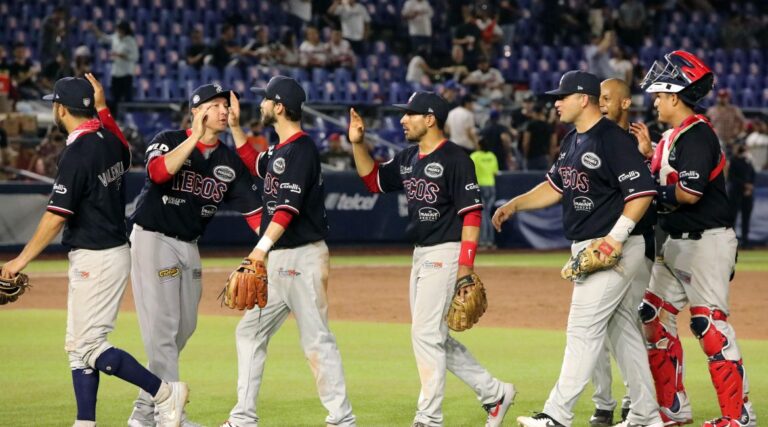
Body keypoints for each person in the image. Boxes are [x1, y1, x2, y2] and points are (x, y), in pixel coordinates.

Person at [0, 74, 188, 427]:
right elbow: (119, 141)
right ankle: (85, 422)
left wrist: (20, 260)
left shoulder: (77, 153)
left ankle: (164, 392)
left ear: (60, 108)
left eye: (53, 104)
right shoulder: (111, 142)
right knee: (77, 347)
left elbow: (56, 217)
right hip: (107, 249)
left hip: (97, 255)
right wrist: (101, 106)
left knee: (89, 346)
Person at [494, 71, 662, 427]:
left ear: (583, 99)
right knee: (623, 333)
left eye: (562, 96)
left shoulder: (611, 139)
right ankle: (648, 416)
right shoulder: (573, 139)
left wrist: (615, 237)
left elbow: (643, 192)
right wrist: (515, 205)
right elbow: (555, 187)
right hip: (591, 244)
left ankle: (556, 415)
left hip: (612, 247)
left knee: (581, 329)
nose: (556, 102)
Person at [348, 92, 516, 427]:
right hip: (421, 253)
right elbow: (373, 181)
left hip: (447, 251)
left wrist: (466, 266)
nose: (402, 120)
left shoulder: (456, 159)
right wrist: (358, 143)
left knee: (425, 334)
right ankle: (494, 393)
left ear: (430, 119)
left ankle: (429, 417)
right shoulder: (409, 157)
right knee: (434, 335)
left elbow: (471, 214)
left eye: (409, 114)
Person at [222, 76, 356, 427]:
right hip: (280, 257)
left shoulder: (302, 150)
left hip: (303, 257)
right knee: (249, 332)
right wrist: (235, 129)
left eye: (265, 100)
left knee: (316, 340)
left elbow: (287, 209)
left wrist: (258, 251)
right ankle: (243, 418)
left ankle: (342, 419)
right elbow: (256, 165)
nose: (261, 105)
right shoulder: (279, 150)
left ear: (279, 107)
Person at [127, 84, 262, 427]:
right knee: (164, 331)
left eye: (225, 105)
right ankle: (171, 414)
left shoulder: (228, 162)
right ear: (196, 110)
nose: (222, 111)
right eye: (214, 105)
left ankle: (143, 412)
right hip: (153, 238)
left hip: (190, 245)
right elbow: (158, 173)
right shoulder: (169, 138)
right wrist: (194, 138)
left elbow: (255, 213)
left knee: (183, 329)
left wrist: (272, 249)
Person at [638, 49, 757, 427]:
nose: (655, 101)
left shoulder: (698, 135)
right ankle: (673, 407)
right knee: (652, 317)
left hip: (706, 242)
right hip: (675, 242)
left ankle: (739, 416)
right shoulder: (671, 136)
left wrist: (646, 194)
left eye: (659, 95)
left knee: (710, 327)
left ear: (674, 96)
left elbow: (689, 193)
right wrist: (646, 158)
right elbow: (665, 183)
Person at [587, 77, 659, 426]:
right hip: (595, 242)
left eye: (606, 98)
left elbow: (652, 193)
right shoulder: (587, 138)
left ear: (625, 103)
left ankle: (635, 401)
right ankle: (603, 403)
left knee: (628, 324)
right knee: (592, 328)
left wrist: (649, 156)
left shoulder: (639, 143)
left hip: (633, 246)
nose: (599, 103)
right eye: (596, 98)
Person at [90, 20, 139, 114]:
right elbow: (104, 38)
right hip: (116, 73)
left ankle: (128, 119)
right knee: (115, 99)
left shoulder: (130, 41)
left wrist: (122, 55)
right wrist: (95, 30)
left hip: (126, 74)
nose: (118, 31)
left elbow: (135, 56)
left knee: (127, 99)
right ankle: (115, 120)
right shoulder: (115, 37)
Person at [471, 138, 499, 249]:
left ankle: (483, 241)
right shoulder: (492, 156)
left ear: (479, 145)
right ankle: (490, 241)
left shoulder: (474, 156)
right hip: (491, 186)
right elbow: (495, 172)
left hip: (480, 186)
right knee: (488, 214)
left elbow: (469, 171)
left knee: (483, 215)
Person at [729, 144, 756, 247]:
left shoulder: (748, 160)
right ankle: (732, 241)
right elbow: (732, 177)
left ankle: (745, 240)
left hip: (747, 193)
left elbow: (753, 174)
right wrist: (745, 185)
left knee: (746, 217)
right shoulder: (734, 160)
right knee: (733, 218)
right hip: (736, 193)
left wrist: (750, 186)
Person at [522, 105, 556, 171]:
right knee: (543, 180)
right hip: (545, 157)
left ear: (535, 113)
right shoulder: (549, 127)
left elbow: (526, 143)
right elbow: (553, 144)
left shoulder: (530, 126)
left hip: (532, 158)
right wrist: (551, 159)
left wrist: (525, 156)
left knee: (531, 180)